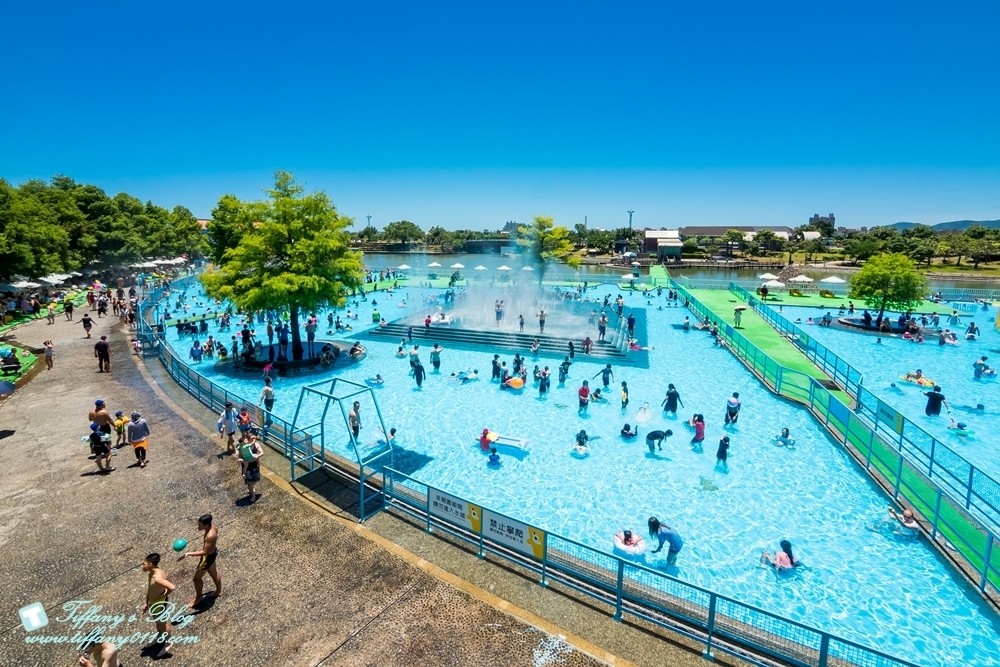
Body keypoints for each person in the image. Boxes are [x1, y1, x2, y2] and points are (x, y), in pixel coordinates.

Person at [179, 514, 223, 609]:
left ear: (206, 525)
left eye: (200, 525)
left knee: (196, 579)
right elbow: (216, 537)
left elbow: (205, 552)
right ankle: (218, 591)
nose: (198, 527)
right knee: (214, 574)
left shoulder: (210, 536)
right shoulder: (213, 527)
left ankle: (199, 596)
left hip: (207, 558)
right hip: (213, 553)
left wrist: (189, 553)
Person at [141, 552, 177, 658]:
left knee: (163, 624)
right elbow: (150, 589)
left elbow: (172, 587)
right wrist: (146, 602)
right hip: (153, 603)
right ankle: (160, 636)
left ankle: (168, 642)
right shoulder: (152, 573)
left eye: (144, 564)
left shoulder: (157, 577)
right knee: (158, 622)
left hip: (159, 604)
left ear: (150, 564)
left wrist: (165, 594)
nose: (142, 566)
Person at [239, 431, 264, 502]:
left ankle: (251, 487)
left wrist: (257, 456)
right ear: (247, 439)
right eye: (251, 439)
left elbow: (262, 452)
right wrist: (244, 461)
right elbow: (239, 458)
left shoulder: (256, 445)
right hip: (247, 466)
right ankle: (253, 495)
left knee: (256, 478)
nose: (253, 440)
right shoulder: (242, 448)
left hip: (254, 465)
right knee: (249, 481)